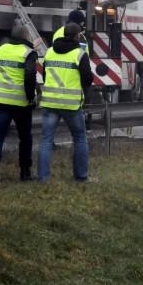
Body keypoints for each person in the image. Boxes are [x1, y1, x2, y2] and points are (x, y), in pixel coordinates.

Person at [38, 22, 93, 182]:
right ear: (77, 36)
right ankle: (81, 176)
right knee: (80, 138)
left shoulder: (49, 53)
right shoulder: (80, 54)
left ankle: (43, 177)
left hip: (50, 103)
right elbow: (87, 79)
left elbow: (44, 76)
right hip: (71, 105)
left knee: (46, 140)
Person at [0, 25, 38, 183]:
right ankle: (25, 172)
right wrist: (31, 97)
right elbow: (30, 75)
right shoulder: (28, 52)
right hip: (20, 102)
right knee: (25, 137)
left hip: (0, 101)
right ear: (25, 36)